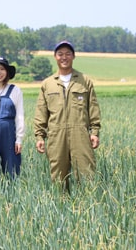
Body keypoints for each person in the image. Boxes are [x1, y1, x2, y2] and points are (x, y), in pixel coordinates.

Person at [34, 41, 101, 193]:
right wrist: (39, 136)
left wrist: (95, 132)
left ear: (74, 56)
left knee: (86, 174)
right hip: (56, 135)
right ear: (55, 57)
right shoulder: (47, 84)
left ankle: (88, 209)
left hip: (80, 134)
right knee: (58, 177)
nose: (64, 57)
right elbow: (41, 112)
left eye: (68, 54)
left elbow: (93, 108)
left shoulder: (85, 81)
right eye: (60, 54)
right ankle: (61, 209)